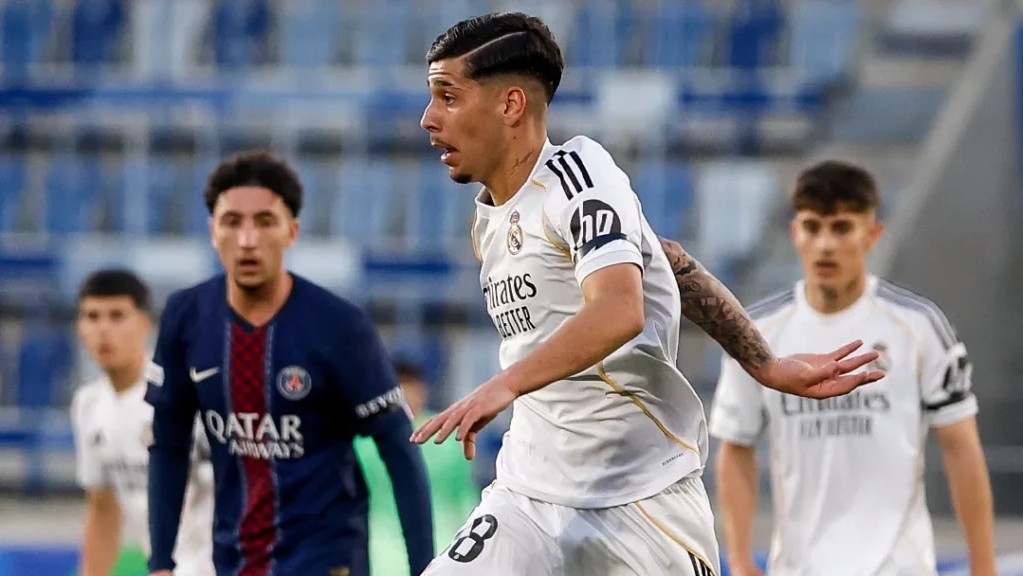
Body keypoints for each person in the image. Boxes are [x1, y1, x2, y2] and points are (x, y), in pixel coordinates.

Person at [411, 12, 885, 576]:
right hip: (529, 494)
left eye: (448, 96)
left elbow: (619, 308)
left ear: (511, 105)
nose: (428, 119)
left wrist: (505, 384)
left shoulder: (579, 174)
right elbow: (671, 262)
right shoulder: (488, 222)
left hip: (643, 496)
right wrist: (765, 363)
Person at [144, 151, 434, 576]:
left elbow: (398, 449)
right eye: (232, 222)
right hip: (234, 559)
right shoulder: (185, 317)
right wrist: (160, 562)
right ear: (212, 231)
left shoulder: (340, 325)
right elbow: (168, 445)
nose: (247, 240)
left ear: (291, 231)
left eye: (264, 222)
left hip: (328, 558)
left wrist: (424, 568)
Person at [709, 160, 996, 576]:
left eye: (841, 227)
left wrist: (984, 566)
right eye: (812, 226)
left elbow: (961, 446)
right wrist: (738, 559)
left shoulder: (919, 326)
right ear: (795, 233)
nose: (825, 244)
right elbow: (735, 449)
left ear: (872, 234)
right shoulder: (755, 333)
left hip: (901, 567)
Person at [70, 269, 214, 576]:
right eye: (92, 317)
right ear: (79, 327)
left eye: (117, 316)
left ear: (145, 322)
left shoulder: (182, 395)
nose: (103, 329)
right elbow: (103, 508)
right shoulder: (88, 405)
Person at [355, 360, 480, 576]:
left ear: (424, 390)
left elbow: (464, 498)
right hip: (380, 552)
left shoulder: (449, 435)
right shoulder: (363, 441)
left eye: (412, 389)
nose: (407, 397)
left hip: (443, 548)